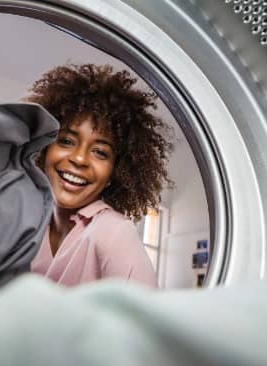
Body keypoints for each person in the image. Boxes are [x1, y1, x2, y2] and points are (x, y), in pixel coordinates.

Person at [26, 63, 173, 288]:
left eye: (100, 152)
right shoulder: (26, 224)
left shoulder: (114, 232)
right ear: (44, 149)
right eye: (66, 141)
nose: (80, 159)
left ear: (115, 171)